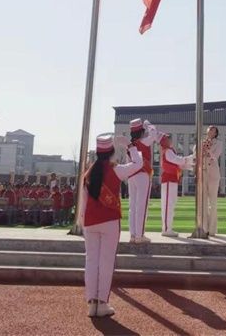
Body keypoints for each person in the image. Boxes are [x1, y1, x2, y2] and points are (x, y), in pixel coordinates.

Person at [83, 134, 143, 318]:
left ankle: (92, 304)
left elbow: (84, 203)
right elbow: (139, 164)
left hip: (90, 221)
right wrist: (131, 146)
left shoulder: (88, 172)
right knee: (106, 262)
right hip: (109, 221)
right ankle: (102, 303)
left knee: (91, 261)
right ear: (111, 151)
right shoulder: (116, 169)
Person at [126, 118, 161, 244]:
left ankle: (133, 234)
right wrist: (149, 124)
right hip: (142, 175)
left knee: (132, 206)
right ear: (141, 131)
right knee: (142, 206)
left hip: (131, 175)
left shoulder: (130, 145)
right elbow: (154, 134)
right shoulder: (144, 141)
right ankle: (139, 236)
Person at [158, 132, 195, 237]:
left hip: (172, 180)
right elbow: (178, 161)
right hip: (169, 180)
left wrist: (191, 164)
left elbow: (179, 164)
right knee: (168, 205)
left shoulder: (168, 151)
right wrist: (192, 158)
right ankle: (166, 229)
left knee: (170, 204)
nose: (170, 140)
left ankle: (168, 228)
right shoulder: (168, 151)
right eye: (168, 139)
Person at [202, 125, 222, 236]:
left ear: (215, 133)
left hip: (213, 174)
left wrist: (208, 149)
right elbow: (197, 155)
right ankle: (204, 228)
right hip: (203, 173)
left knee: (213, 202)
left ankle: (213, 229)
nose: (210, 131)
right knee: (203, 202)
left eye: (212, 130)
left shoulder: (219, 143)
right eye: (209, 129)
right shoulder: (202, 142)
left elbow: (215, 156)